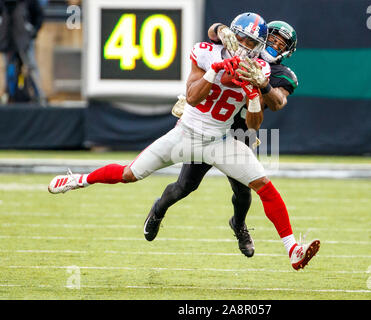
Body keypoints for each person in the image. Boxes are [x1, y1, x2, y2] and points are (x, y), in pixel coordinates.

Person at [48, 12, 320, 271]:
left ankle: (292, 249)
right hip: (186, 134)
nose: (247, 46)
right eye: (243, 39)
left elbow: (259, 119)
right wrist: (216, 65)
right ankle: (78, 180)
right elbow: (194, 90)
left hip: (225, 139)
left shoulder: (265, 70)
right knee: (133, 174)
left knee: (261, 187)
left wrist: (256, 89)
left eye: (253, 42)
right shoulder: (208, 50)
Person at [155, 20, 299, 258]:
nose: (273, 44)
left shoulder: (281, 74)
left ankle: (239, 225)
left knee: (244, 191)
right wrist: (222, 29)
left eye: (280, 44)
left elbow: (277, 102)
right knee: (185, 186)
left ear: (287, 51)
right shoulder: (239, 48)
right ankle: (159, 208)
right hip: (208, 129)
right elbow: (214, 32)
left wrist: (262, 83)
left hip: (239, 133)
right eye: (271, 39)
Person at [0, 0, 46, 105]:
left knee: (31, 67)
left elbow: (38, 15)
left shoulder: (29, 2)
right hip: (7, 40)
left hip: (24, 41)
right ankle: (7, 94)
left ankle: (38, 95)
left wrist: (33, 31)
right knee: (7, 69)